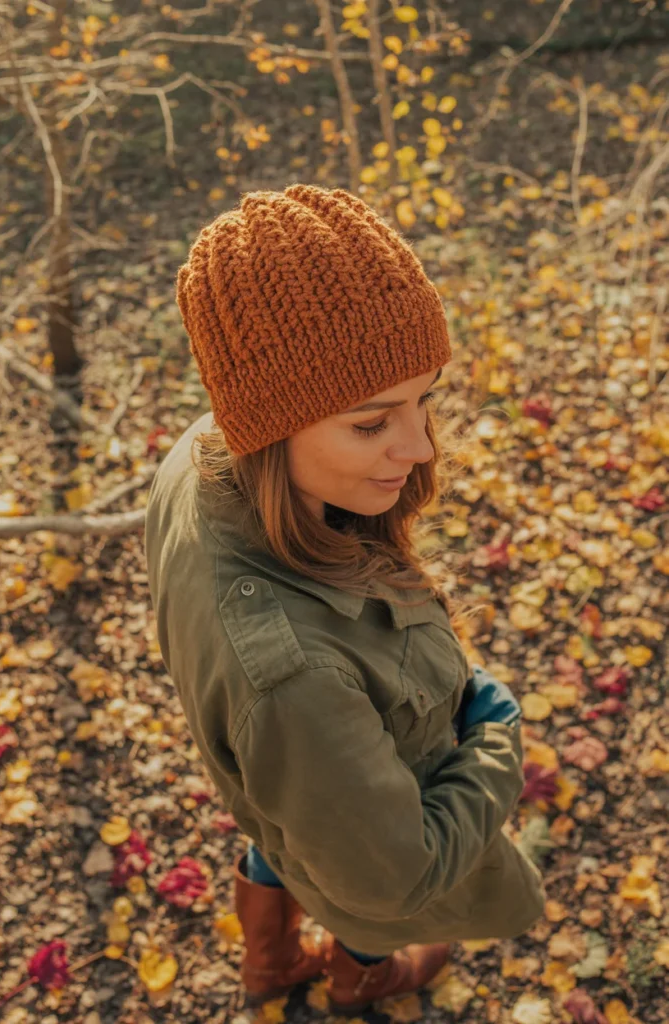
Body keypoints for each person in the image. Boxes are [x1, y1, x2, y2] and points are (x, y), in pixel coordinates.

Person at [144, 183, 546, 1013]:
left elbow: (302, 784)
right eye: (371, 423)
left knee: (287, 832)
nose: (420, 444)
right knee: (350, 886)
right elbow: (393, 874)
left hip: (281, 798)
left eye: (424, 398)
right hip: (340, 819)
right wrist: (497, 740)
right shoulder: (296, 680)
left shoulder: (200, 454)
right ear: (267, 424)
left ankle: (267, 960)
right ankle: (363, 974)